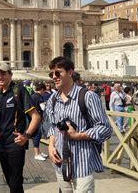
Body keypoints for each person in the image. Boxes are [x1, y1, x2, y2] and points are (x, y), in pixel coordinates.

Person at [45, 57, 111, 192]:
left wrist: (78, 135)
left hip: (82, 163)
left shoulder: (88, 97)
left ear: (70, 73)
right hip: (61, 163)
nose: (54, 77)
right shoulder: (52, 99)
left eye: (58, 73)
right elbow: (52, 125)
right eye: (51, 74)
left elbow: (106, 129)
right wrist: (51, 146)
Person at [0, 62, 40, 193]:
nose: (0, 77)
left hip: (16, 144)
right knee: (10, 180)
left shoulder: (19, 91)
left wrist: (26, 135)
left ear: (10, 75)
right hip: (2, 144)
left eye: (3, 74)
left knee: (15, 181)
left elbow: (36, 117)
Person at [31, 82, 48, 161]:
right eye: (44, 91)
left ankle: (38, 152)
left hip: (33, 118)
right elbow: (43, 108)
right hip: (38, 119)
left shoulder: (32, 96)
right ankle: (36, 154)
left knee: (37, 135)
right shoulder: (39, 97)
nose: (44, 93)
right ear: (41, 90)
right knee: (37, 135)